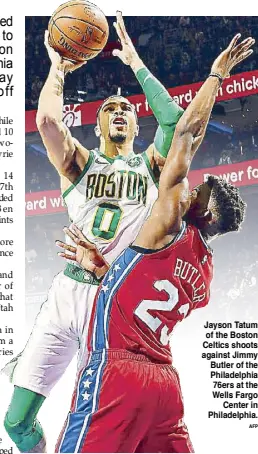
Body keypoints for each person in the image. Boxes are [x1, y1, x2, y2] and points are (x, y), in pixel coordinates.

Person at [55, 34, 254, 453]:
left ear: (203, 213)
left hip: (117, 372)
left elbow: (185, 130)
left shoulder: (167, 221)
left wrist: (217, 75)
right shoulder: (204, 274)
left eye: (195, 193)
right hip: (164, 386)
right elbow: (142, 294)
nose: (187, 191)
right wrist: (101, 268)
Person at [4, 13, 184, 454]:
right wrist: (58, 67)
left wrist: (136, 64)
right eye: (109, 109)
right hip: (66, 292)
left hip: (111, 303)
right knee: (15, 423)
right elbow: (47, 122)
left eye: (126, 110)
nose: (118, 112)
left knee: (102, 428)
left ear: (136, 126)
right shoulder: (80, 164)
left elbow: (175, 121)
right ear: (98, 124)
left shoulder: (150, 167)